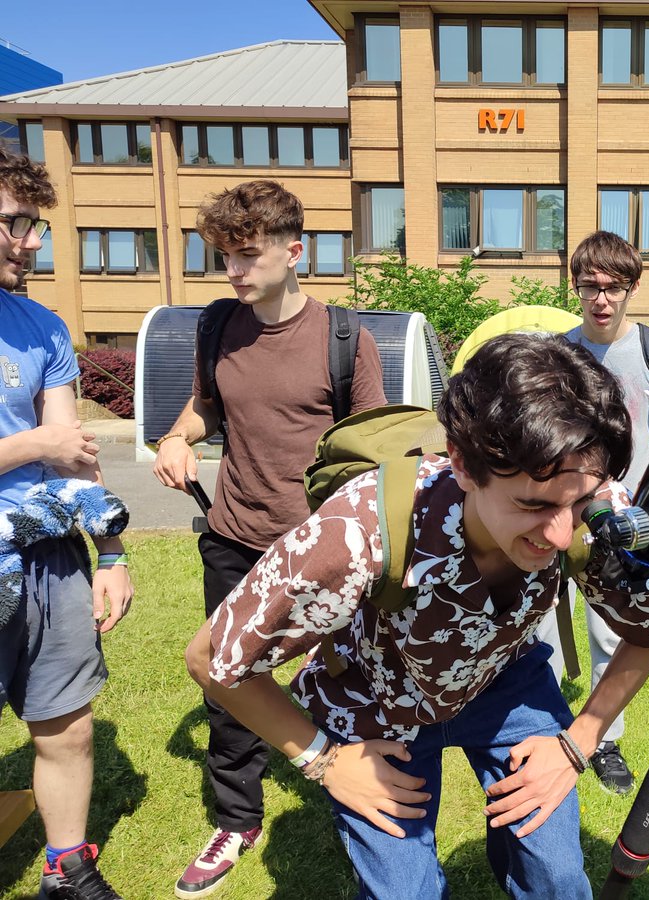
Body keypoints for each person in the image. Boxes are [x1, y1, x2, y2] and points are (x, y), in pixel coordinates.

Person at [184, 332, 649, 899]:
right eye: (533, 504)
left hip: (503, 680)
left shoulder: (595, 509)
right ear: (464, 466)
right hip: (377, 698)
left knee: (557, 878)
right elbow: (211, 658)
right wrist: (323, 761)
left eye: (578, 502)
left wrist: (580, 741)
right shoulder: (355, 533)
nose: (559, 533)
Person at [152, 180, 386, 898]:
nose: (233, 270)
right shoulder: (217, 326)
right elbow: (205, 406)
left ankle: (365, 805)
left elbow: (377, 448)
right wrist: (178, 436)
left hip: (320, 551)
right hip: (233, 537)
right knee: (230, 679)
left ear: (295, 251)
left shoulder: (345, 339)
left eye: (248, 255)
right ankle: (236, 819)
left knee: (349, 681)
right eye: (225, 256)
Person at [0, 147, 134, 899]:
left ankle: (67, 867)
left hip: (49, 555)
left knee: (67, 723)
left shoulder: (42, 327)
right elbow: (48, 443)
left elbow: (74, 453)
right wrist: (30, 446)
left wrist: (110, 552)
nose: (30, 242)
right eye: (13, 223)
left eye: (35, 224)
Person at [534, 230, 649, 794]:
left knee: (613, 631)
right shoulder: (557, 355)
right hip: (559, 514)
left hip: (626, 523)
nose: (600, 299)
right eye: (589, 286)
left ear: (632, 288)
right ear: (574, 287)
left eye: (613, 288)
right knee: (543, 623)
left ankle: (603, 738)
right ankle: (543, 726)